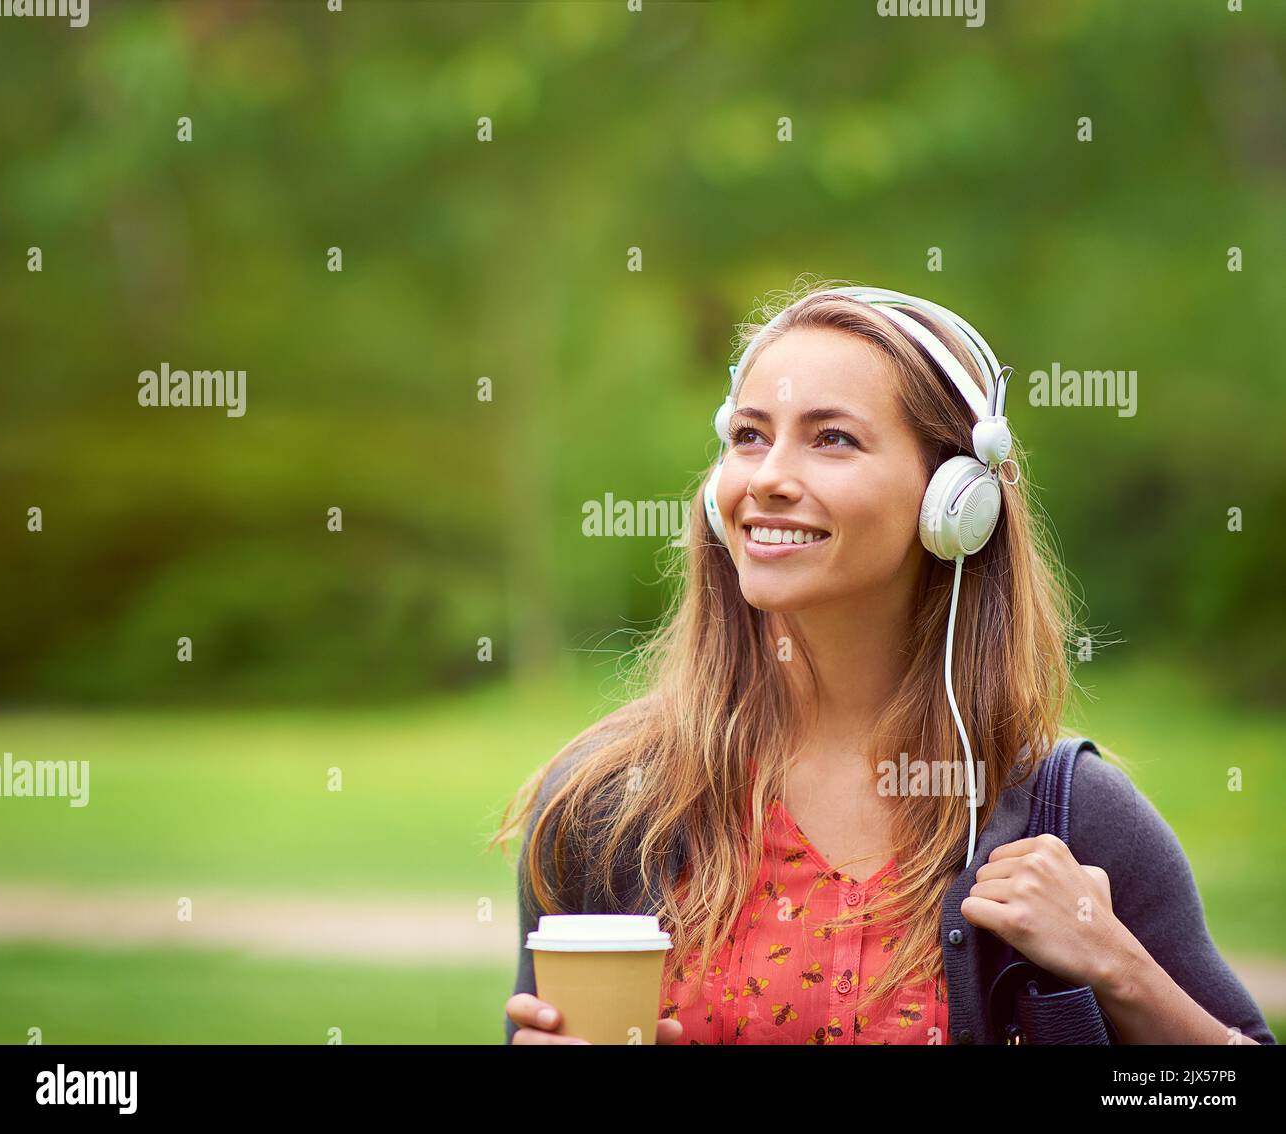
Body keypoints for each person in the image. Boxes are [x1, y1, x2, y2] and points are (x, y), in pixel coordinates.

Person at [492, 279, 1276, 1045]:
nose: (767, 478)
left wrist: (1119, 970)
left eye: (832, 438)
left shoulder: (1069, 816)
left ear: (954, 504)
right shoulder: (611, 805)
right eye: (750, 436)